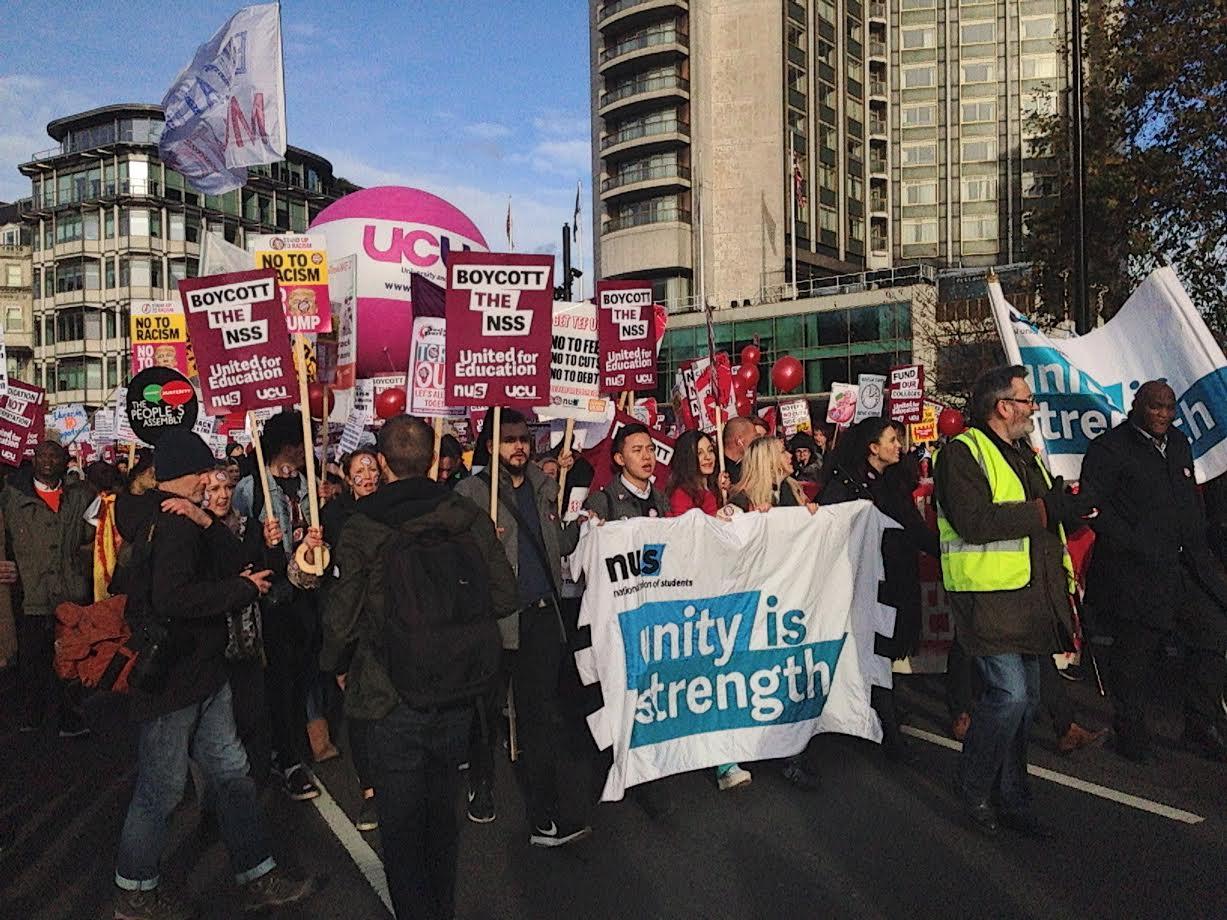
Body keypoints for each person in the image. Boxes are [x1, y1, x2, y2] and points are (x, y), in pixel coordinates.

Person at [111, 430, 317, 920]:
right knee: (162, 788)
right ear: (185, 474)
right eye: (204, 471)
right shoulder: (174, 524)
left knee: (231, 774)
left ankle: (257, 873)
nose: (211, 479)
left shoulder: (186, 518)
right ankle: (135, 891)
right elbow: (173, 598)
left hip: (202, 674)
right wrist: (240, 590)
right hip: (175, 681)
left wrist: (209, 521)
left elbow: (230, 558)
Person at [322, 416, 517, 920]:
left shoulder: (363, 525)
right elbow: (505, 596)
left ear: (382, 463)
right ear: (432, 460)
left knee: (401, 829)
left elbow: (340, 621)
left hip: (389, 694)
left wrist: (335, 665)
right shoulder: (467, 515)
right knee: (442, 821)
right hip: (458, 689)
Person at [934, 365, 1091, 837]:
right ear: (1003, 407)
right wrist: (1046, 509)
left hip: (1030, 597)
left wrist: (1070, 506)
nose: (1033, 408)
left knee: (1027, 702)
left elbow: (1045, 517)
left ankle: (1013, 797)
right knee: (1009, 696)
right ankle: (974, 785)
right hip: (989, 599)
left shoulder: (1024, 453)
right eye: (1026, 400)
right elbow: (975, 521)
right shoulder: (962, 452)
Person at [455, 409, 591, 845]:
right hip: (494, 619)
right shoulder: (471, 494)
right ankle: (481, 781)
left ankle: (543, 813)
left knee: (538, 715)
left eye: (524, 439)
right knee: (486, 709)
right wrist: (480, 543)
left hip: (539, 615)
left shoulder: (545, 486)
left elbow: (557, 546)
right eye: (509, 439)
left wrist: (586, 527)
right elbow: (453, 558)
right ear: (491, 445)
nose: (519, 446)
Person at [1081, 380, 1227, 763]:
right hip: (1135, 573)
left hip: (1185, 566)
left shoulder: (1179, 443)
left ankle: (1201, 722)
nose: (1163, 414)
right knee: (1135, 654)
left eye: (1169, 407)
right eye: (1155, 406)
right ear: (1137, 406)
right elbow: (1094, 509)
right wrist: (1133, 544)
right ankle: (1130, 730)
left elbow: (1189, 498)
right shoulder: (1109, 448)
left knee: (1213, 631)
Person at [820, 418, 940, 760]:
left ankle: (883, 715)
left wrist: (948, 553)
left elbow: (913, 529)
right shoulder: (844, 483)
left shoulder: (894, 484)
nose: (898, 446)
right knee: (874, 653)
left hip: (896, 577)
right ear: (873, 447)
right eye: (891, 440)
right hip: (863, 583)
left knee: (883, 653)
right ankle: (890, 734)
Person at [666, 429, 751, 791]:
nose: (707, 455)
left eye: (709, 449)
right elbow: (689, 537)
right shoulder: (681, 495)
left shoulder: (714, 490)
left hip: (721, 590)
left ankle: (722, 754)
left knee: (721, 673)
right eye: (699, 451)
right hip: (696, 595)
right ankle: (718, 759)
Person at [2, 441, 95, 737]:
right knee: (32, 661)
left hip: (70, 595)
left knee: (70, 661)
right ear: (33, 459)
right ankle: (33, 716)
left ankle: (70, 717)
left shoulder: (81, 496)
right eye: (42, 455)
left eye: (54, 456)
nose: (47, 461)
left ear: (65, 461)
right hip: (30, 594)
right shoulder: (11, 498)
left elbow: (95, 535)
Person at [319, 447, 383, 833]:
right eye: (359, 470)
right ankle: (370, 790)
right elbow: (325, 581)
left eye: (373, 468)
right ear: (345, 476)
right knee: (360, 713)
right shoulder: (334, 516)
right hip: (352, 627)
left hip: (389, 624)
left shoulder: (395, 510)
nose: (368, 475)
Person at [728, 436, 808, 512]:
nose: (790, 455)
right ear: (769, 460)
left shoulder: (790, 487)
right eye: (783, 452)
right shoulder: (742, 499)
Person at [721, 416, 757, 485]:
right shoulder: (721, 471)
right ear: (739, 440)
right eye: (754, 438)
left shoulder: (748, 465)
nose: (757, 442)